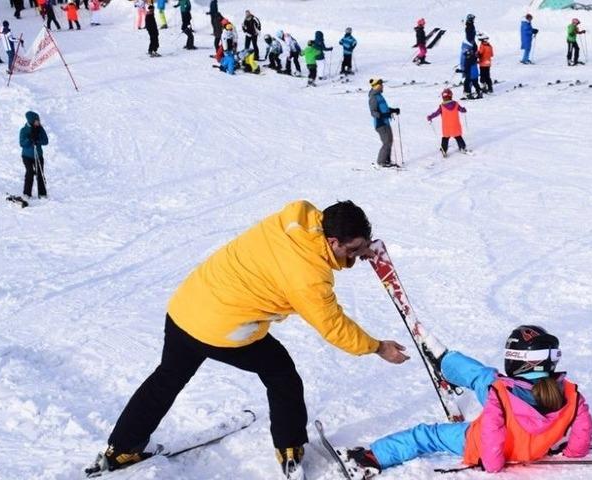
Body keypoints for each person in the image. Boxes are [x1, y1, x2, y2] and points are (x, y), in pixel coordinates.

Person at [85, 200, 409, 480]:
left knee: (167, 377)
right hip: (220, 325)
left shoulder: (298, 215)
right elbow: (333, 326)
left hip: (188, 304)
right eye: (352, 250)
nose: (356, 256)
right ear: (333, 240)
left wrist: (360, 248)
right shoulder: (308, 276)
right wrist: (378, 347)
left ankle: (122, 449)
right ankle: (290, 449)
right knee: (281, 374)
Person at [335, 325, 592, 477]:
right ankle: (446, 362)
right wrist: (571, 452)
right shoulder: (571, 393)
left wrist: (492, 466)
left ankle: (371, 458)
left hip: (483, 445)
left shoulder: (499, 396)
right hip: (532, 445)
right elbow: (583, 432)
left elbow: (492, 434)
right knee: (487, 378)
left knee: (426, 436)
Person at [427, 89, 469, 156]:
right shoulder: (456, 104)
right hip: (455, 125)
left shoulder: (442, 106)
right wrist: (463, 110)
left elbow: (436, 113)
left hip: (446, 127)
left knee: (445, 138)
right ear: (451, 96)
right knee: (458, 137)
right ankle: (462, 147)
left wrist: (430, 117)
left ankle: (444, 149)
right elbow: (461, 110)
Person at [368, 78, 400, 168]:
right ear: (377, 86)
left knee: (389, 141)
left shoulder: (379, 96)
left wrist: (393, 110)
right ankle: (381, 161)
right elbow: (373, 112)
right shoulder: (373, 98)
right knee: (387, 142)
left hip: (385, 122)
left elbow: (384, 109)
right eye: (381, 85)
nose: (383, 87)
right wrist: (381, 116)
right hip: (380, 123)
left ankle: (387, 160)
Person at [19, 111, 49, 200]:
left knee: (40, 173)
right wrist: (29, 139)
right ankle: (27, 193)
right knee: (30, 173)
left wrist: (37, 140)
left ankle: (42, 193)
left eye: (38, 120)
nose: (38, 122)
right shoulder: (24, 130)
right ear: (31, 120)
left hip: (38, 155)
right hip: (27, 156)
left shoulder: (40, 129)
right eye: (36, 120)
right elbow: (22, 143)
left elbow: (46, 141)